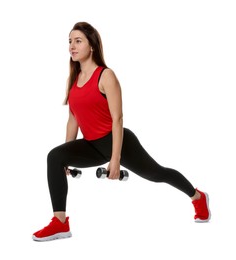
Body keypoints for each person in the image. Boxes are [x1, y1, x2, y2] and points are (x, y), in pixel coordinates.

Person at [32, 22, 211, 242]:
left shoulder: (106, 76)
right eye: (70, 41)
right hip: (92, 145)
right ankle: (60, 222)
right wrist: (66, 155)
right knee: (55, 156)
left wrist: (115, 160)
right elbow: (73, 119)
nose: (72, 46)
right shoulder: (74, 78)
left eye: (78, 41)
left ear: (92, 46)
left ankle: (197, 197)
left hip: (118, 141)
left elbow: (117, 120)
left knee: (157, 174)